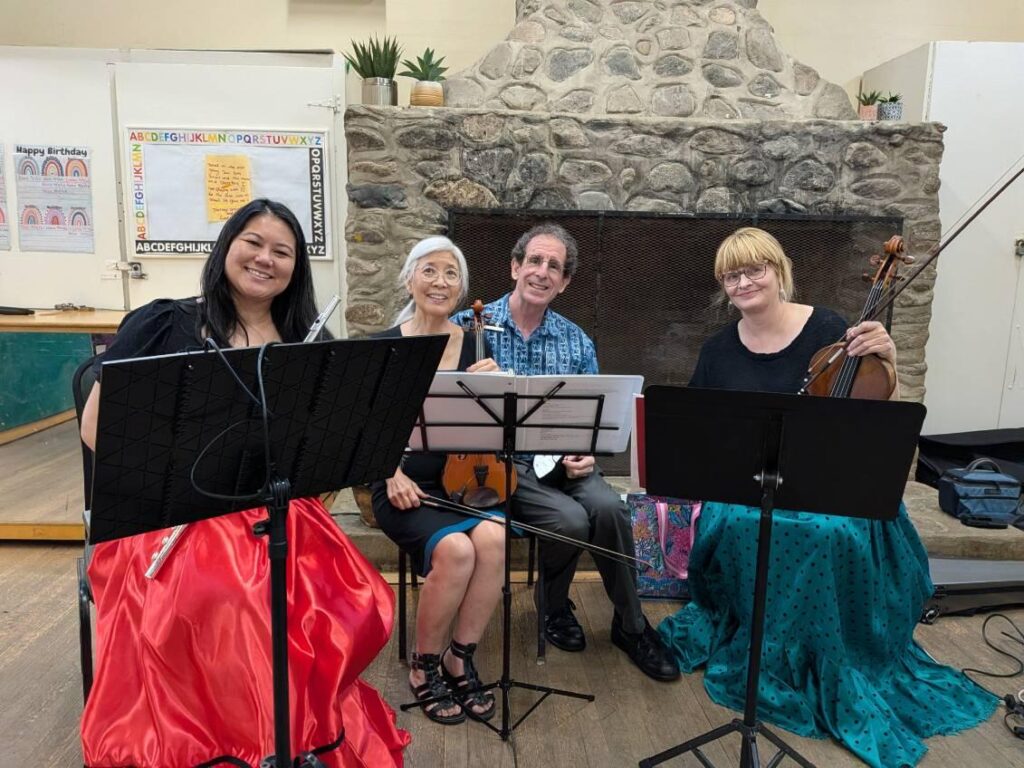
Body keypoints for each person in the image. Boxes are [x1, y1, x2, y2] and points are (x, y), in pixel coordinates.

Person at [79, 199, 409, 768]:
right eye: (253, 243)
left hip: (275, 506)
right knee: (235, 597)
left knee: (354, 598)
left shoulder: (306, 339)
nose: (264, 259)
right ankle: (238, 744)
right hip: (169, 511)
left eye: (282, 252)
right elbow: (96, 429)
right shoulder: (165, 322)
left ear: (296, 269)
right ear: (226, 246)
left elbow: (323, 443)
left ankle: (301, 732)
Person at [658, 227, 996, 768]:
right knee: (740, 523)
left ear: (779, 271)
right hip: (752, 485)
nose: (743, 282)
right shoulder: (718, 350)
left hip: (831, 482)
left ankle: (827, 655)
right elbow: (704, 431)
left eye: (754, 269)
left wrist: (889, 359)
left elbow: (876, 411)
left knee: (827, 531)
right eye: (731, 275)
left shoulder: (830, 330)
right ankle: (765, 648)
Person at [452, 222, 679, 682]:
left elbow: (594, 418)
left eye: (554, 266)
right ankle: (553, 607)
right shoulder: (469, 326)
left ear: (565, 281)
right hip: (499, 467)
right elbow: (442, 398)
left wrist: (587, 453)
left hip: (562, 462)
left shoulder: (576, 340)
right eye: (534, 261)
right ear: (515, 267)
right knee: (572, 520)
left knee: (609, 508)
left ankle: (631, 626)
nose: (542, 272)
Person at [371, 236, 506, 725]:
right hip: (400, 482)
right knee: (457, 550)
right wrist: (389, 473)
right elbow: (360, 428)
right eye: (429, 270)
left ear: (461, 288)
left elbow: (494, 436)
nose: (440, 282)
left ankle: (458, 658)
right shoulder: (382, 346)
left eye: (451, 273)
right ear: (409, 278)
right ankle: (423, 664)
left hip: (462, 483)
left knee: (495, 536)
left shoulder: (475, 345)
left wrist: (495, 391)